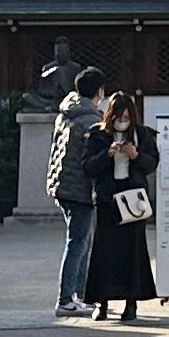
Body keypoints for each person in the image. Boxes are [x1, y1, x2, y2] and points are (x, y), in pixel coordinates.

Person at [81, 88, 160, 323]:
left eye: (126, 118)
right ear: (110, 116)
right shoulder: (97, 135)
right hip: (107, 198)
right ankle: (101, 303)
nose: (122, 122)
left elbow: (152, 163)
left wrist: (135, 155)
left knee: (132, 251)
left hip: (133, 197)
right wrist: (107, 155)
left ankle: (131, 303)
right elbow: (87, 167)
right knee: (103, 251)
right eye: (118, 118)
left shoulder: (142, 134)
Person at [48, 71, 107, 316]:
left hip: (61, 185)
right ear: (99, 92)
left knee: (82, 241)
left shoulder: (66, 113)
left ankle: (82, 294)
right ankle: (65, 299)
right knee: (77, 243)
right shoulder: (90, 121)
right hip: (79, 188)